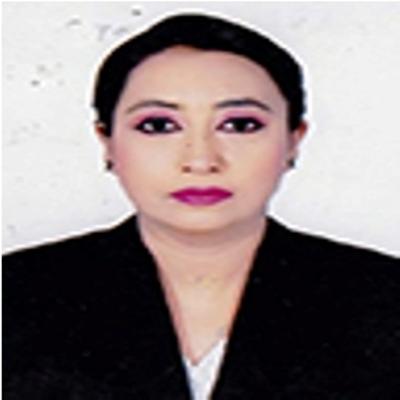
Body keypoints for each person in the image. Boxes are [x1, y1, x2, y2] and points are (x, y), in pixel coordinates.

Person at [3, 13, 399, 400]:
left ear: (294, 139)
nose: (200, 160)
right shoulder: (16, 294)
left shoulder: (384, 297)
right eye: (158, 126)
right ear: (107, 141)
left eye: (240, 125)